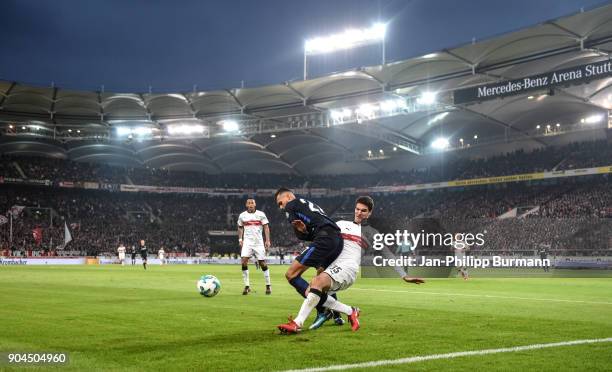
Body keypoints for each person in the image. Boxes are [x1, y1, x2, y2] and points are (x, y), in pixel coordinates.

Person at [278, 196, 424, 334]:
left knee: (316, 283)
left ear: (369, 213)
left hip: (349, 268)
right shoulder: (340, 225)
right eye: (357, 209)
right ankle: (350, 311)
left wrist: (404, 275)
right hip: (333, 267)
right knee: (312, 290)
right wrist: (304, 231)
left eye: (364, 210)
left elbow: (387, 254)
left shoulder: (372, 233)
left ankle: (298, 323)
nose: (359, 213)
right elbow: (322, 238)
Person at [275, 188, 343, 303]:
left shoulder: (290, 205)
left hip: (324, 238)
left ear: (288, 196)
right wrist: (305, 231)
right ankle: (336, 315)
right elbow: (307, 234)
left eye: (280, 203)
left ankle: (323, 309)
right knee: (322, 277)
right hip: (337, 239)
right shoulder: (309, 205)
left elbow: (299, 232)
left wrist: (300, 230)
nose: (281, 207)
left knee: (291, 274)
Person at [237, 198, 272, 295]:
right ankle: (247, 286)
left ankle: (268, 285)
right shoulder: (242, 215)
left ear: (255, 204)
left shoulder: (261, 214)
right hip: (247, 242)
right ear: (246, 205)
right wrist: (240, 239)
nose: (250, 204)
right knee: (244, 261)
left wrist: (267, 240)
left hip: (258, 242)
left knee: (262, 263)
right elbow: (240, 227)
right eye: (249, 203)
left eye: (252, 202)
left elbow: (266, 227)